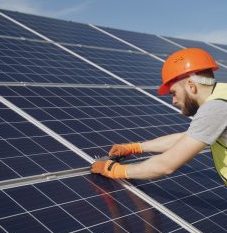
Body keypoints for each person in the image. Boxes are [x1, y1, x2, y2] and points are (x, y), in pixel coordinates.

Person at [91, 48, 227, 185]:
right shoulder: (222, 95)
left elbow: (165, 165)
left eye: (173, 93)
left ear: (191, 86)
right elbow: (188, 138)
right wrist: (135, 147)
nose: (173, 101)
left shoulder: (215, 109)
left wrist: (114, 170)